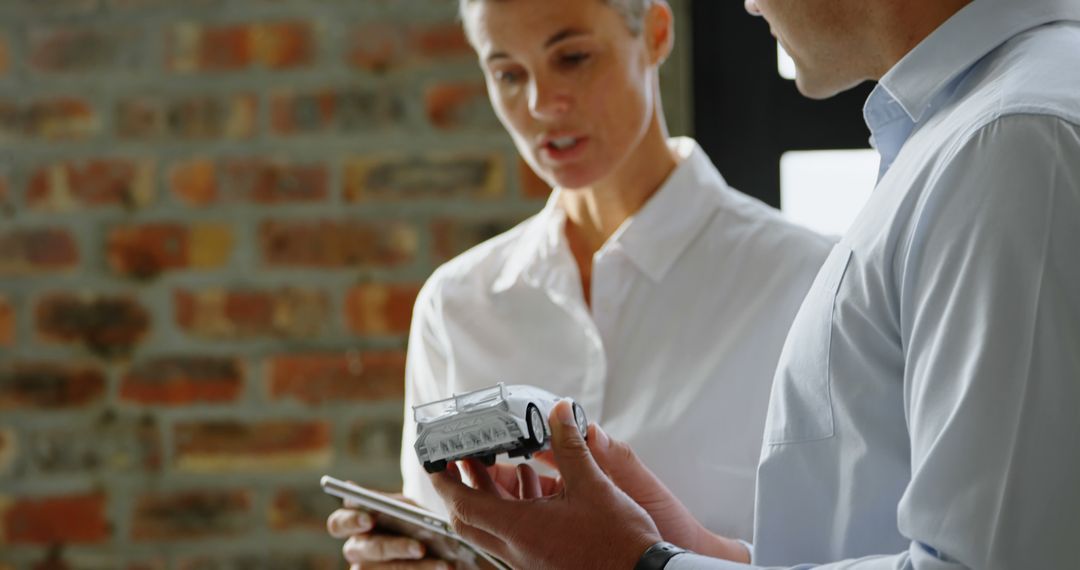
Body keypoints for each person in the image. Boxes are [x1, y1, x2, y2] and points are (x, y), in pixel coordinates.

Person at [428, 0, 1080, 568]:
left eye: (572, 57)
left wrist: (642, 564)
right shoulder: (963, 137)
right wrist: (688, 551)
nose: (744, 4)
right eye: (507, 72)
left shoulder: (1015, 140)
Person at [326, 0, 835, 567]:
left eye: (572, 57)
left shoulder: (810, 281)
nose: (542, 103)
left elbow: (864, 552)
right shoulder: (455, 306)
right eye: (509, 74)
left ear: (656, 35)